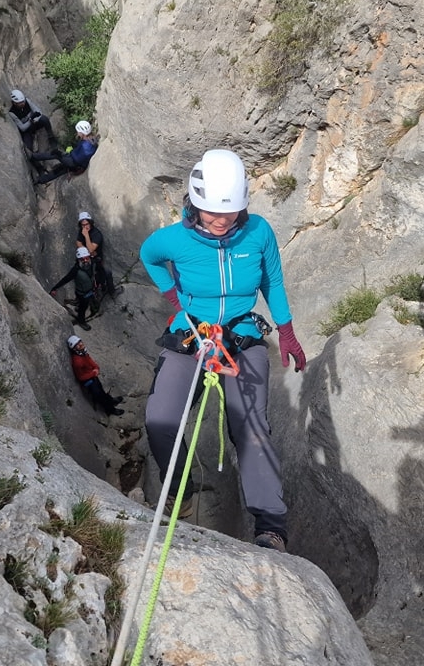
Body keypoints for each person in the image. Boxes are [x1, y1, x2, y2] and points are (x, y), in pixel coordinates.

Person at [139, 148, 307, 553]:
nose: (220, 220)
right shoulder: (174, 239)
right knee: (160, 418)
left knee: (250, 426)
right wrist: (175, 299)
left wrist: (286, 332)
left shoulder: (259, 232)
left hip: (241, 336)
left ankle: (271, 525)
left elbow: (274, 282)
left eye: (228, 213)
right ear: (194, 204)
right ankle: (180, 489)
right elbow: (149, 256)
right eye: (211, 212)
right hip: (190, 334)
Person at [67, 335, 125, 416]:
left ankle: (111, 400)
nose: (80, 344)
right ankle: (111, 409)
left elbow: (89, 360)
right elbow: (80, 377)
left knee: (102, 392)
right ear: (74, 348)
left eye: (80, 342)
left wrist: (96, 367)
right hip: (90, 382)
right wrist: (93, 373)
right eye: (77, 344)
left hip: (93, 377)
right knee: (100, 397)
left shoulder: (83, 352)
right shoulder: (78, 361)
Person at [30, 120, 98, 184]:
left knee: (56, 154)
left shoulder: (87, 147)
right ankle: (39, 180)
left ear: (83, 133)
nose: (77, 133)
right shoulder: (90, 140)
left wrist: (69, 152)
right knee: (60, 170)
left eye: (78, 132)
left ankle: (34, 156)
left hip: (73, 163)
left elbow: (77, 159)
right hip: (76, 165)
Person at [49, 246, 98, 331]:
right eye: (83, 259)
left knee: (90, 302)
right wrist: (55, 288)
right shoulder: (75, 270)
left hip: (90, 289)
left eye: (86, 258)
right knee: (83, 308)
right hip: (82, 294)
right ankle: (81, 321)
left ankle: (80, 305)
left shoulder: (92, 263)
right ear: (79, 260)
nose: (85, 261)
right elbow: (66, 279)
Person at [75, 211, 119, 299]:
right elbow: (78, 243)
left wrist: (86, 236)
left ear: (90, 223)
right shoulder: (82, 231)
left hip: (96, 259)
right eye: (83, 225)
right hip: (87, 259)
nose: (85, 227)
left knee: (106, 273)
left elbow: (92, 249)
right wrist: (87, 252)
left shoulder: (96, 234)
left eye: (86, 224)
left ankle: (111, 291)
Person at [7, 89, 57, 155]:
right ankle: (36, 160)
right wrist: (31, 120)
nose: (23, 103)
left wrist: (34, 119)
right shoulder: (12, 113)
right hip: (27, 130)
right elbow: (22, 128)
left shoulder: (27, 101)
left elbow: (38, 112)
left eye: (23, 101)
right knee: (28, 148)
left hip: (34, 123)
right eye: (20, 103)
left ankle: (51, 137)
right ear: (14, 103)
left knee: (44, 119)